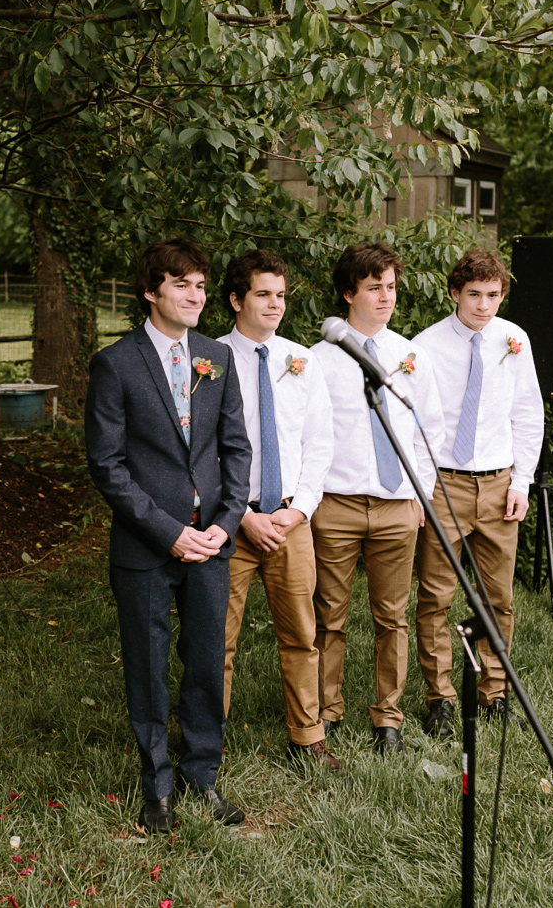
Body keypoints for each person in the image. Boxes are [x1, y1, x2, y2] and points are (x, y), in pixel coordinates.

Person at [84, 238, 252, 833]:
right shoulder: (117, 363)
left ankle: (201, 777)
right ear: (151, 290)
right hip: (147, 548)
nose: (195, 296)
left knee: (207, 661)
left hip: (211, 544)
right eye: (182, 284)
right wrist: (169, 532)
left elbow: (236, 450)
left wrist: (224, 525)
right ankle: (155, 785)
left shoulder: (217, 358)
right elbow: (107, 464)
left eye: (201, 285)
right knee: (148, 666)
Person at [307, 243, 444, 754]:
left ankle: (389, 717)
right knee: (330, 614)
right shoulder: (317, 360)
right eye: (373, 288)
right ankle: (326, 709)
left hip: (397, 504)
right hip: (337, 505)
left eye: (390, 286)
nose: (386, 297)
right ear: (349, 293)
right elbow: (309, 434)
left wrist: (422, 498)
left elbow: (430, 429)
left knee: (393, 616)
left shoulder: (411, 357)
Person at [215, 250, 339, 772]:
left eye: (281, 295)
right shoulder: (208, 359)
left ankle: (308, 736)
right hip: (228, 521)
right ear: (236, 300)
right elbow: (201, 450)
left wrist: (300, 510)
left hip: (289, 519)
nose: (274, 304)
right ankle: (208, 740)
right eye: (263, 294)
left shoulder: (301, 359)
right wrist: (241, 514)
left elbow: (319, 442)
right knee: (216, 636)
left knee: (302, 633)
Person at [412, 249, 544, 737]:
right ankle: (441, 696)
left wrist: (522, 481)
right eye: (474, 295)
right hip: (444, 483)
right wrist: (421, 490)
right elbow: (414, 423)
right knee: (436, 595)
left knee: (498, 596)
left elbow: (528, 414)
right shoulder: (423, 347)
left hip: (499, 483)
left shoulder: (515, 340)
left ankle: (495, 689)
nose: (484, 306)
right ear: (454, 294)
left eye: (493, 295)